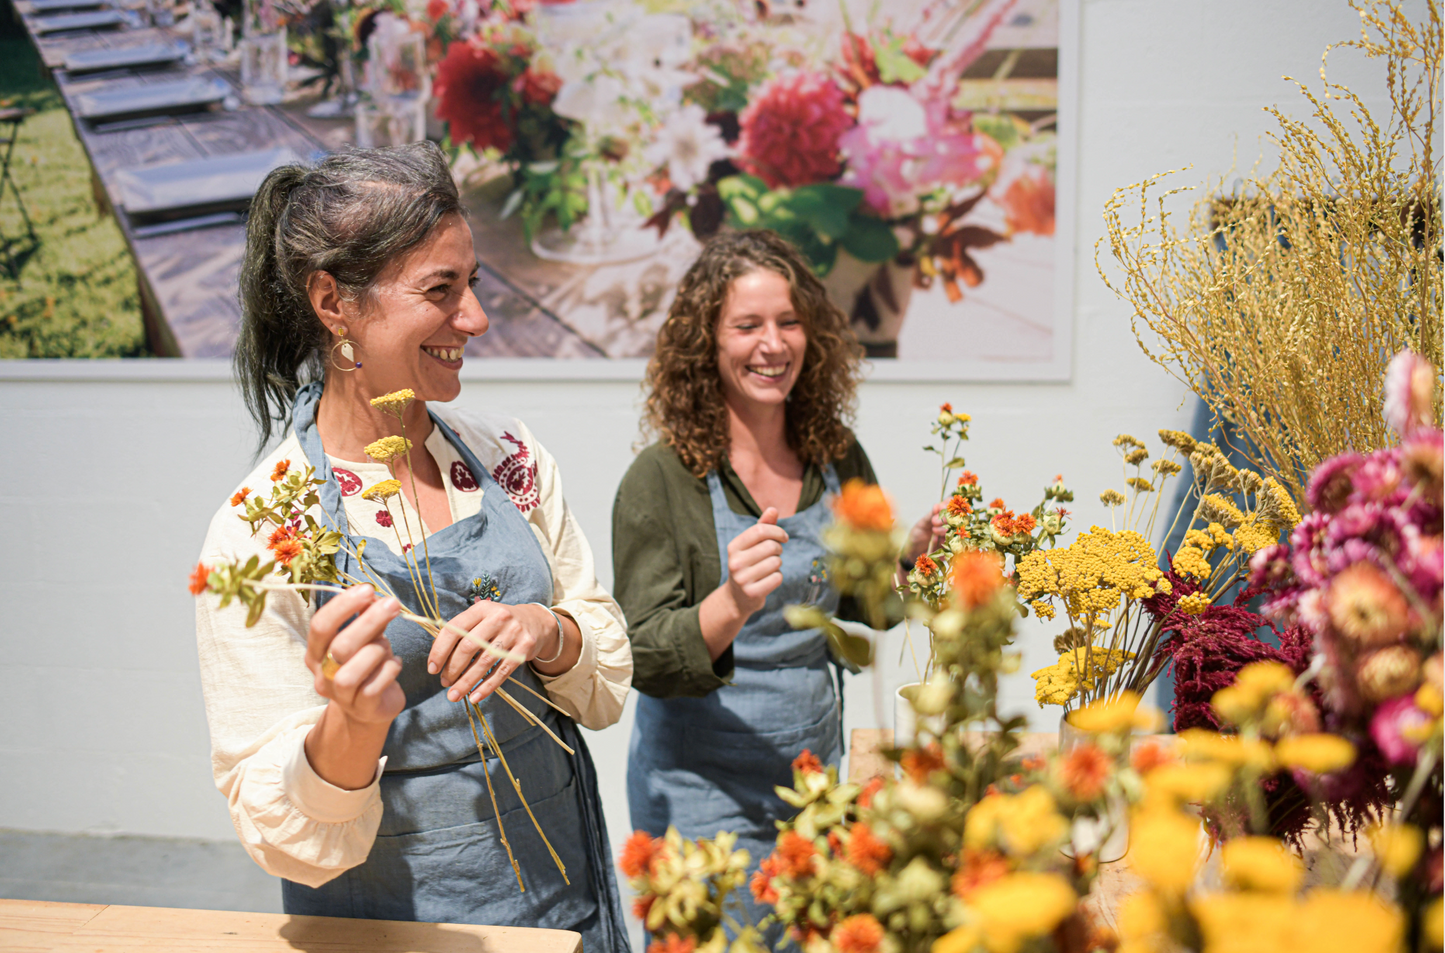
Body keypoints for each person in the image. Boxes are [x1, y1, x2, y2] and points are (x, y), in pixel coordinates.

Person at [194, 142, 630, 949]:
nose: (476, 317)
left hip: (563, 912)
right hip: (392, 931)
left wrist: (547, 629)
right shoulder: (262, 531)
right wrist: (353, 725)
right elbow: (281, 834)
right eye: (440, 289)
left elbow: (603, 678)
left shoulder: (508, 456)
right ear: (333, 301)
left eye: (473, 283)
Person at [612, 230, 939, 940]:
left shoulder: (836, 455)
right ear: (706, 342)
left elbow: (869, 605)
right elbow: (642, 655)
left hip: (812, 786)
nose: (772, 344)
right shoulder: (661, 478)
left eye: (788, 322)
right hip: (699, 795)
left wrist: (910, 562)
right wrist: (731, 601)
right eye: (747, 325)